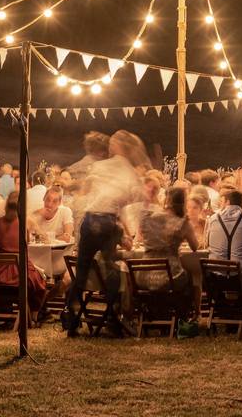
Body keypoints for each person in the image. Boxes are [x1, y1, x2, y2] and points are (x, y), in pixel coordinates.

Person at [64, 130, 150, 337]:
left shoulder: (101, 165)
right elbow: (137, 195)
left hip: (90, 219)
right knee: (110, 268)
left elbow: (89, 187)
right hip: (108, 221)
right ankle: (112, 317)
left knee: (82, 269)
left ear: (116, 147)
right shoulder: (127, 170)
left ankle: (71, 317)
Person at [137, 187, 198, 319]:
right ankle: (182, 317)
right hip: (170, 275)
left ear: (166, 199)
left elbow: (140, 237)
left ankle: (154, 314)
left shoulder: (148, 218)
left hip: (144, 274)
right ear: (183, 202)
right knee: (189, 278)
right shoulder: (182, 223)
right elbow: (195, 247)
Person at [206, 190, 242, 310]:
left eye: (222, 201)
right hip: (241, 278)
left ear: (227, 202)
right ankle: (239, 309)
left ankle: (225, 309)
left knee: (206, 278)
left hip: (217, 279)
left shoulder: (212, 219)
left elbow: (206, 244)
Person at [0, 195, 48, 314]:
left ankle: (7, 307)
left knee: (36, 276)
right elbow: (39, 238)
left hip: (0, 274)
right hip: (21, 272)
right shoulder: (24, 221)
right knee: (40, 279)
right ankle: (36, 313)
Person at [120, 174, 163, 243]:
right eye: (149, 186)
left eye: (154, 188)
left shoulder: (159, 210)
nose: (151, 189)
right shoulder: (129, 209)